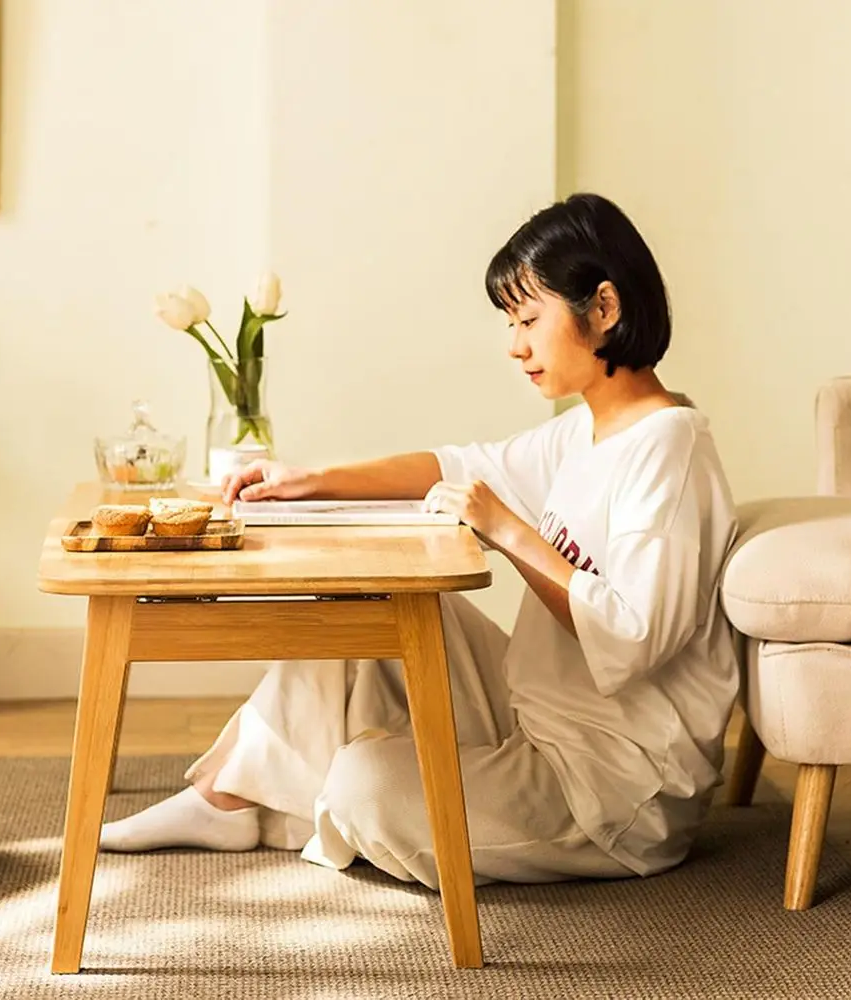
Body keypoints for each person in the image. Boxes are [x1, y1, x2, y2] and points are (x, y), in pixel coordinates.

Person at [100, 192, 739, 890]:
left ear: (605, 309)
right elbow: (461, 465)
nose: (514, 345)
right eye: (509, 321)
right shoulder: (583, 431)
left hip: (612, 789)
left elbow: (632, 639)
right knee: (360, 611)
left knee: (363, 783)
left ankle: (297, 798)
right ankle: (223, 798)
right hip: (531, 714)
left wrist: (507, 530)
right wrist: (308, 479)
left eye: (528, 319)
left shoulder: (668, 447)